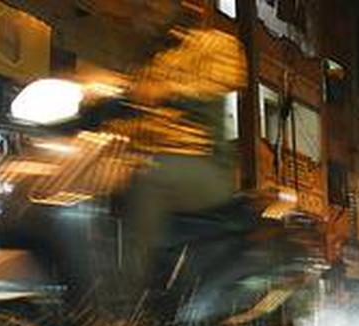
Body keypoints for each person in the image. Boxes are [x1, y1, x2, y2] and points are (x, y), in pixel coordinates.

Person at [96, 0, 248, 290]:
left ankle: (132, 297)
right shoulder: (149, 62)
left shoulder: (214, 44)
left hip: (205, 167)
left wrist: (169, 89)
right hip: (150, 160)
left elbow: (226, 77)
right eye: (144, 7)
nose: (147, 11)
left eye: (155, 5)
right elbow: (130, 113)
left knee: (149, 176)